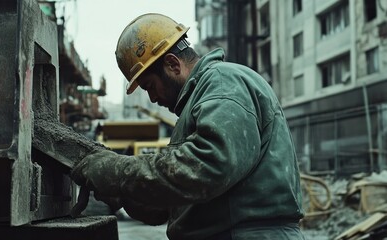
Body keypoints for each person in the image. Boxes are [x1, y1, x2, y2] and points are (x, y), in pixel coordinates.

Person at [71, 13, 305, 240]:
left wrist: (116, 171)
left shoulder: (223, 82)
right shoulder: (199, 103)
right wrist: (120, 193)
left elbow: (210, 166)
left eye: (150, 86)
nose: (152, 98)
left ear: (173, 64)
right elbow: (171, 204)